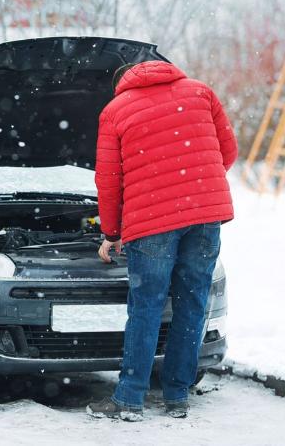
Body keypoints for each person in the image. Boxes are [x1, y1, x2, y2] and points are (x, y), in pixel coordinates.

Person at [86, 61, 238, 421]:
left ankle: (130, 399)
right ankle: (177, 397)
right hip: (205, 215)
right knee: (192, 302)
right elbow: (227, 152)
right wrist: (193, 189)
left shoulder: (116, 110)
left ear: (121, 83)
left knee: (147, 305)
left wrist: (111, 234)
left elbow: (108, 180)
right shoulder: (200, 92)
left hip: (151, 221)